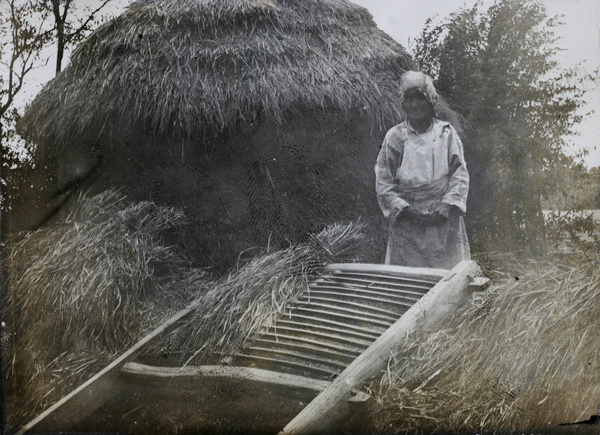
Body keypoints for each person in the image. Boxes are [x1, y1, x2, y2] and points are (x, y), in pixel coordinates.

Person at [375, 71, 470, 269]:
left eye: (420, 98)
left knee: (446, 279)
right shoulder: (395, 137)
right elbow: (383, 180)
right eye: (409, 99)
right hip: (408, 221)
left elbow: (459, 174)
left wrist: (447, 204)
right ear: (402, 104)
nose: (414, 105)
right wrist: (406, 210)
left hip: (443, 218)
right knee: (408, 283)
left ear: (431, 101)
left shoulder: (446, 133)